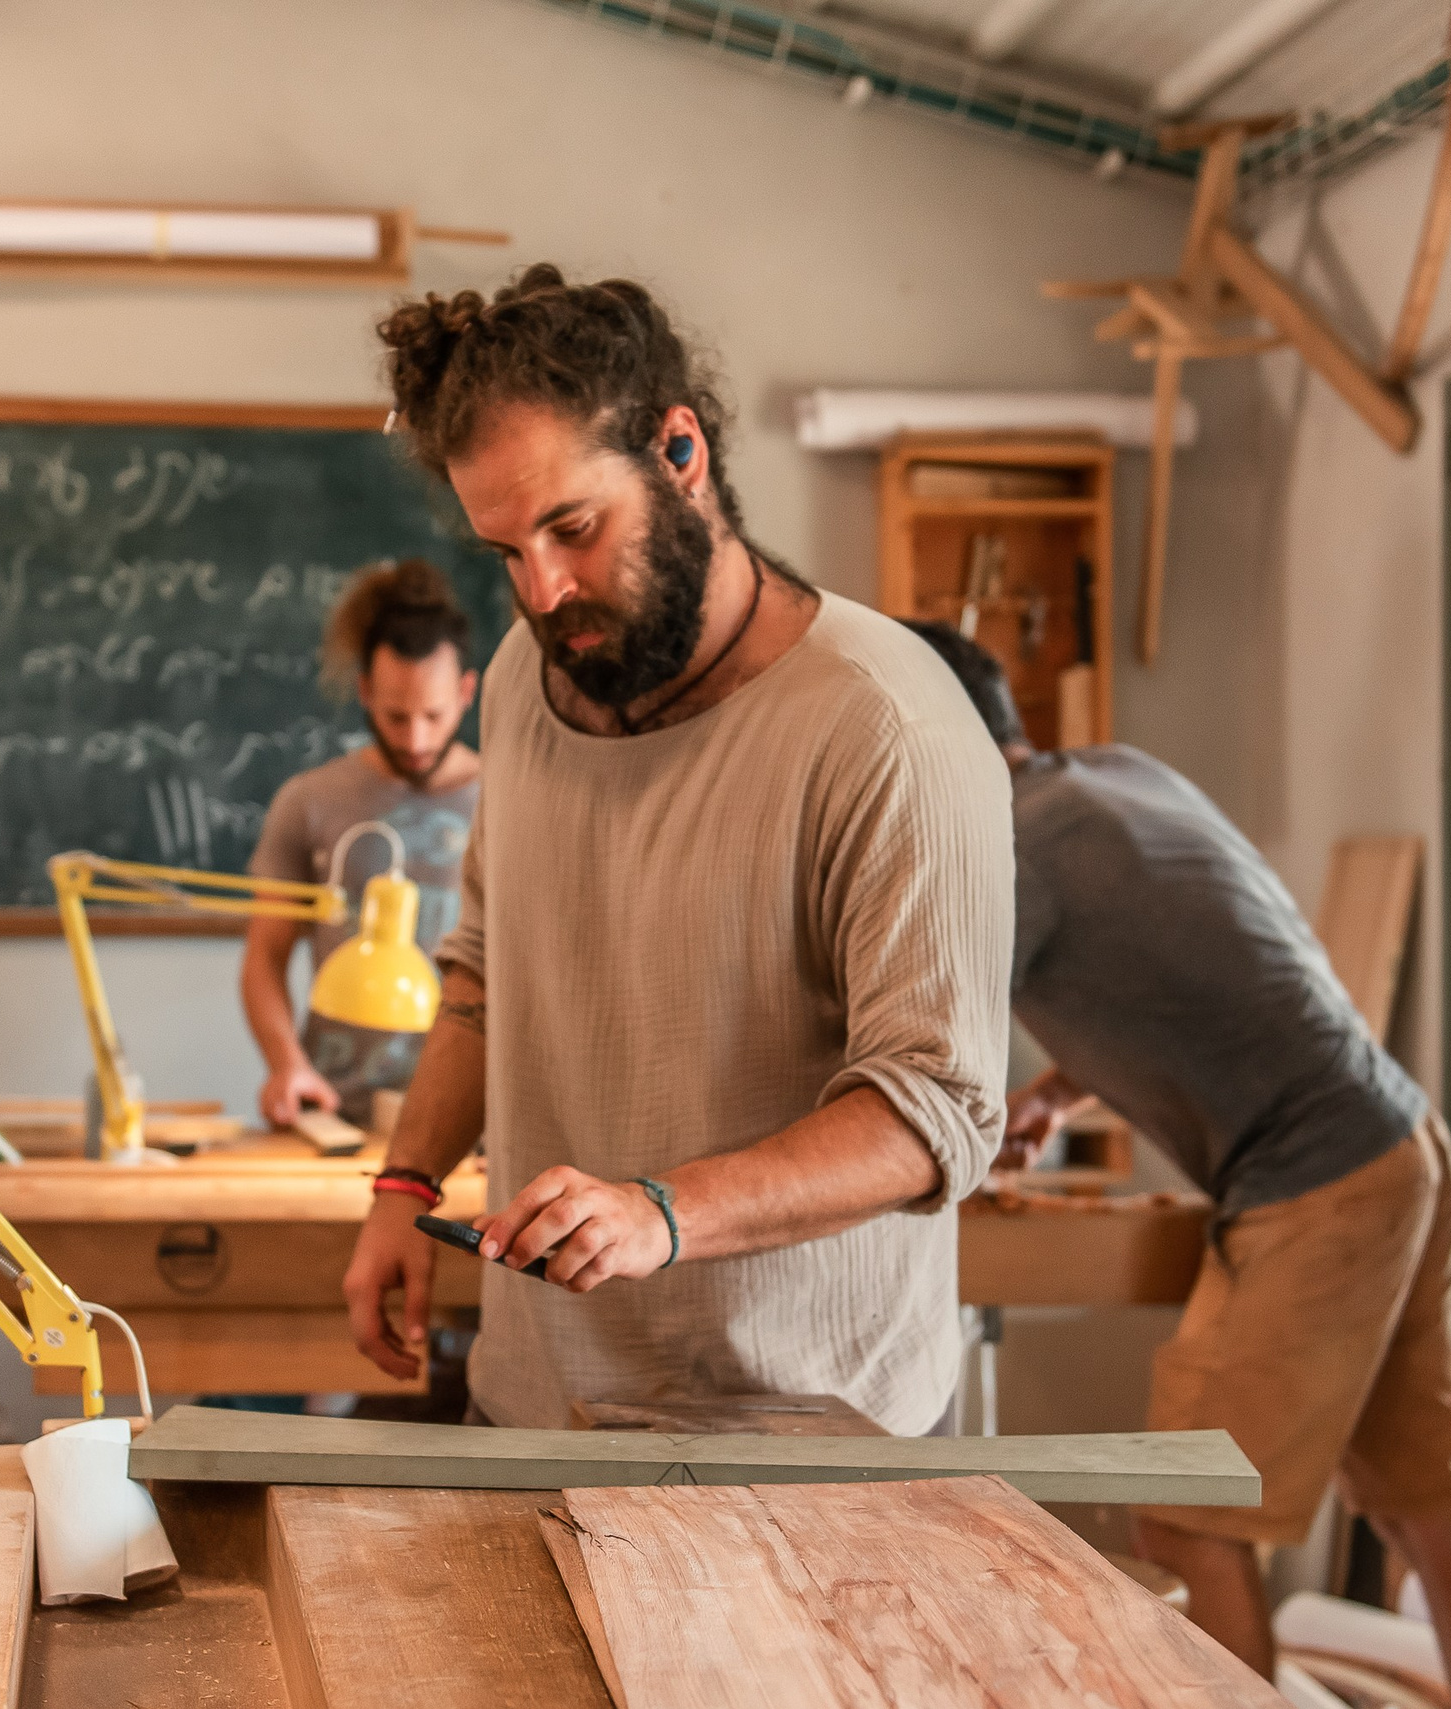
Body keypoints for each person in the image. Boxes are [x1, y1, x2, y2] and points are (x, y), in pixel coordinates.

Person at [340, 264, 1011, 1436]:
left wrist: (664, 1211)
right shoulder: (518, 675)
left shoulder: (882, 724)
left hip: (804, 1430)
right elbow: (489, 974)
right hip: (540, 1401)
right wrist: (404, 1185)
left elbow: (933, 1109)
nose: (542, 589)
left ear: (680, 452)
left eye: (573, 526)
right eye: (505, 549)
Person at [907, 620, 1451, 1706]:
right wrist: (1059, 1087)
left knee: (1187, 1514)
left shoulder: (1010, 856)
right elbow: (1198, 964)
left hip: (1316, 1187)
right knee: (1429, 1507)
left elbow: (917, 1049)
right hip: (1397, 1144)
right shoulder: (1112, 777)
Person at [244, 560, 479, 1128]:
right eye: (397, 717)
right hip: (335, 1110)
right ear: (366, 691)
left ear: (467, 692)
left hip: (468, 1119)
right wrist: (287, 1065)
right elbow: (263, 959)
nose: (417, 739)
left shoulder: (510, 803)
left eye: (434, 715)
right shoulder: (311, 801)